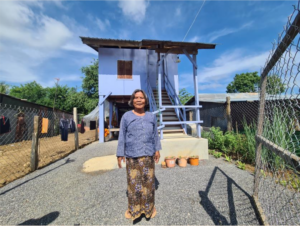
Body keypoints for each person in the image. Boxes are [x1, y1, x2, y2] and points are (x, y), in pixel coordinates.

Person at [116, 89, 161, 220]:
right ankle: (134, 210)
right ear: (132, 100)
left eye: (141, 97)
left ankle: (148, 209)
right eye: (136, 97)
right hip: (132, 156)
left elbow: (155, 135)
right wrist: (120, 154)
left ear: (145, 101)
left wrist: (157, 149)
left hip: (148, 156)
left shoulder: (151, 116)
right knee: (133, 184)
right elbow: (122, 136)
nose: (139, 99)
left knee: (148, 184)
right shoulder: (126, 116)